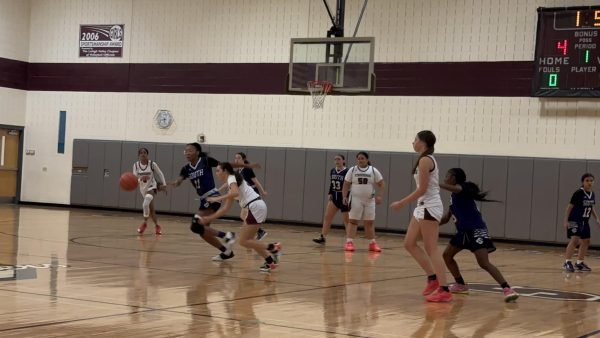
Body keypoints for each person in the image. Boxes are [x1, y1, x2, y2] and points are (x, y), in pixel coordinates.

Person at [439, 167, 519, 302]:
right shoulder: (454, 198)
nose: (445, 178)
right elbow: (446, 218)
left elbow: (456, 189)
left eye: (447, 175)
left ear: (453, 178)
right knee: (447, 255)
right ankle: (460, 284)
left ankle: (507, 289)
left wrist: (433, 182)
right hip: (463, 232)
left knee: (484, 263)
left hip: (476, 230)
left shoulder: (462, 189)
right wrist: (428, 225)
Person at [390, 130, 451, 302]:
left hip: (429, 206)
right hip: (422, 206)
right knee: (409, 243)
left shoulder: (425, 160)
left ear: (423, 142)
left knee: (431, 248)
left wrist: (401, 203)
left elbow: (422, 189)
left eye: (415, 139)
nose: (413, 142)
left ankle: (444, 289)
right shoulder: (424, 159)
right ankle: (432, 278)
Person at [198, 162, 281, 272]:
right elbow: (225, 209)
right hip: (255, 207)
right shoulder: (231, 185)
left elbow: (235, 192)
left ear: (225, 171)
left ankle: (274, 248)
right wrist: (209, 218)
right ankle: (270, 262)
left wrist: (217, 198)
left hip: (255, 206)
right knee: (249, 240)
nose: (216, 173)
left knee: (243, 241)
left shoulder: (231, 178)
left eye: (218, 170)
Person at [169, 143, 236, 261]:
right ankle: (226, 252)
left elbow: (224, 167)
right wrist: (174, 183)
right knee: (202, 231)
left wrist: (232, 178)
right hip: (203, 200)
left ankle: (227, 236)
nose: (187, 153)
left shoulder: (206, 161)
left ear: (197, 152)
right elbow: (179, 180)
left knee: (195, 225)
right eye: (186, 151)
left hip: (213, 196)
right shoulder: (186, 169)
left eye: (190, 150)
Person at [341, 151, 385, 252]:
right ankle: (349, 242)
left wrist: (380, 196)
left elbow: (382, 184)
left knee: (369, 222)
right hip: (355, 199)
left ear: (367, 159)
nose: (360, 160)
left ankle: (372, 244)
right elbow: (346, 184)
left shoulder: (373, 170)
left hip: (369, 200)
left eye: (362, 158)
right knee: (353, 221)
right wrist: (344, 196)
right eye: (358, 158)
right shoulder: (352, 170)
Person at [563, 173, 600, 272]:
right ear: (583, 182)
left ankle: (579, 263)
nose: (589, 182)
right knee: (574, 240)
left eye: (591, 180)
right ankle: (567, 262)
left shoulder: (592, 194)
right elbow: (569, 207)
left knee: (586, 241)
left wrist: (597, 218)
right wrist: (565, 221)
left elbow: (591, 207)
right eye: (587, 180)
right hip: (574, 220)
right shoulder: (578, 193)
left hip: (585, 221)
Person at [313, 154, 350, 245]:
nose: (337, 161)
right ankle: (323, 237)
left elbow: (349, 185)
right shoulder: (333, 170)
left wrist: (347, 197)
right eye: (335, 159)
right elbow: (332, 183)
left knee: (346, 220)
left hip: (344, 197)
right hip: (334, 196)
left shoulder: (348, 171)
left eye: (339, 159)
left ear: (343, 161)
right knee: (327, 217)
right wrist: (330, 192)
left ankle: (349, 241)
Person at [234, 152, 268, 240]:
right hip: (244, 196)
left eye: (238, 158)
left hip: (252, 194)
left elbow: (255, 181)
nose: (236, 160)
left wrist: (263, 191)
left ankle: (252, 233)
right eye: (235, 158)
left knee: (244, 215)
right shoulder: (238, 171)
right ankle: (257, 231)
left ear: (243, 159)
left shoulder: (247, 169)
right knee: (243, 215)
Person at [132, 148, 166, 235]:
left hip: (152, 187)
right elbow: (135, 179)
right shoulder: (136, 165)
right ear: (139, 155)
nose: (143, 154)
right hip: (143, 189)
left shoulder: (152, 164)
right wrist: (141, 179)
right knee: (152, 210)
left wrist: (164, 185)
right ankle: (156, 226)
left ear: (147, 154)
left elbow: (160, 173)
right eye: (141, 153)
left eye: (144, 153)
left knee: (145, 203)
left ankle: (144, 223)